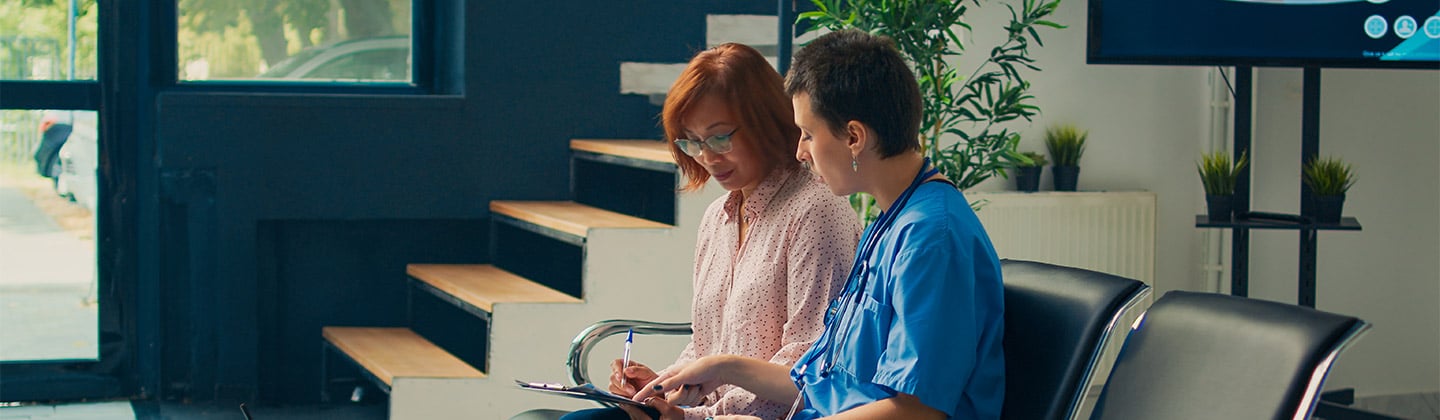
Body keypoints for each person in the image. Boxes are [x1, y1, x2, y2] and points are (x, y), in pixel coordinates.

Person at [632, 29, 1006, 420]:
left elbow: (918, 411)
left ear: (854, 137)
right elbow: (826, 380)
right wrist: (722, 368)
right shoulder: (894, 221)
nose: (799, 151)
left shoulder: (930, 237)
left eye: (808, 134)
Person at [562, 43, 862, 420]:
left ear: (766, 120)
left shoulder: (816, 211)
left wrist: (690, 416)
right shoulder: (717, 217)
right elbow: (706, 344)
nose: (706, 157)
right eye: (691, 142)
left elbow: (809, 372)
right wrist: (664, 388)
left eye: (720, 138)